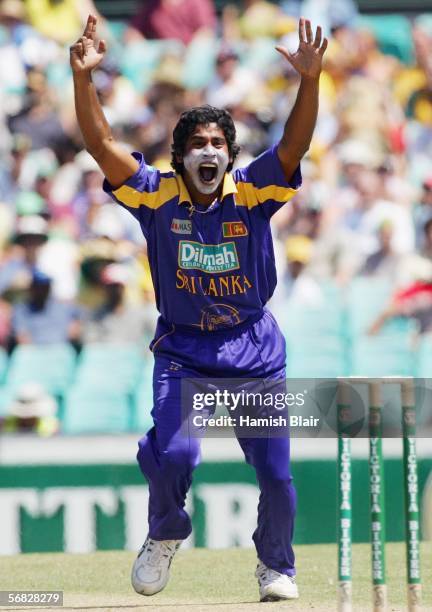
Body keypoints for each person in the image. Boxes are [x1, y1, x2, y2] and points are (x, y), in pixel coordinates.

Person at [70, 14, 327, 603]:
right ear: (180, 156)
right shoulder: (156, 195)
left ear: (229, 155)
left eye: (217, 143)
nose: (207, 151)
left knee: (277, 477)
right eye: (196, 144)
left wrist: (309, 83)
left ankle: (275, 566)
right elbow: (100, 146)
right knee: (176, 450)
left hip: (255, 353)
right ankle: (166, 530)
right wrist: (85, 80)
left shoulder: (254, 190)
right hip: (185, 352)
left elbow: (294, 146)